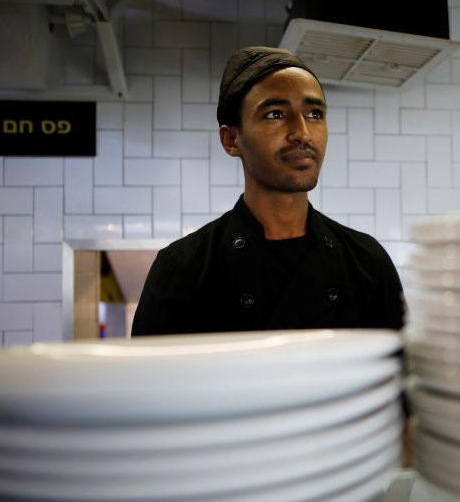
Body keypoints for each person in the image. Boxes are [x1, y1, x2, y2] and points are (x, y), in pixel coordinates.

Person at [131, 46, 404, 336]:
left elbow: (402, 376)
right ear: (232, 139)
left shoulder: (367, 263)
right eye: (275, 114)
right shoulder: (183, 270)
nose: (302, 133)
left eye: (314, 114)